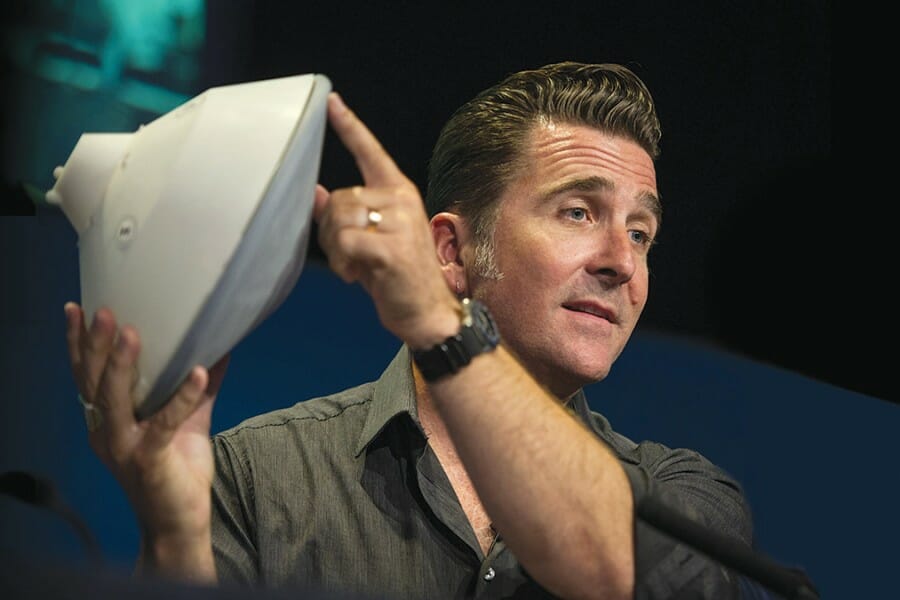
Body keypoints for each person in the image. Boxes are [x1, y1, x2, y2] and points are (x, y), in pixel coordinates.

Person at [64, 62, 754, 599]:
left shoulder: (684, 500)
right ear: (451, 252)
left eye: (642, 233)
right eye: (578, 213)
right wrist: (177, 536)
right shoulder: (258, 474)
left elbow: (613, 568)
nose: (622, 263)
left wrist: (432, 319)